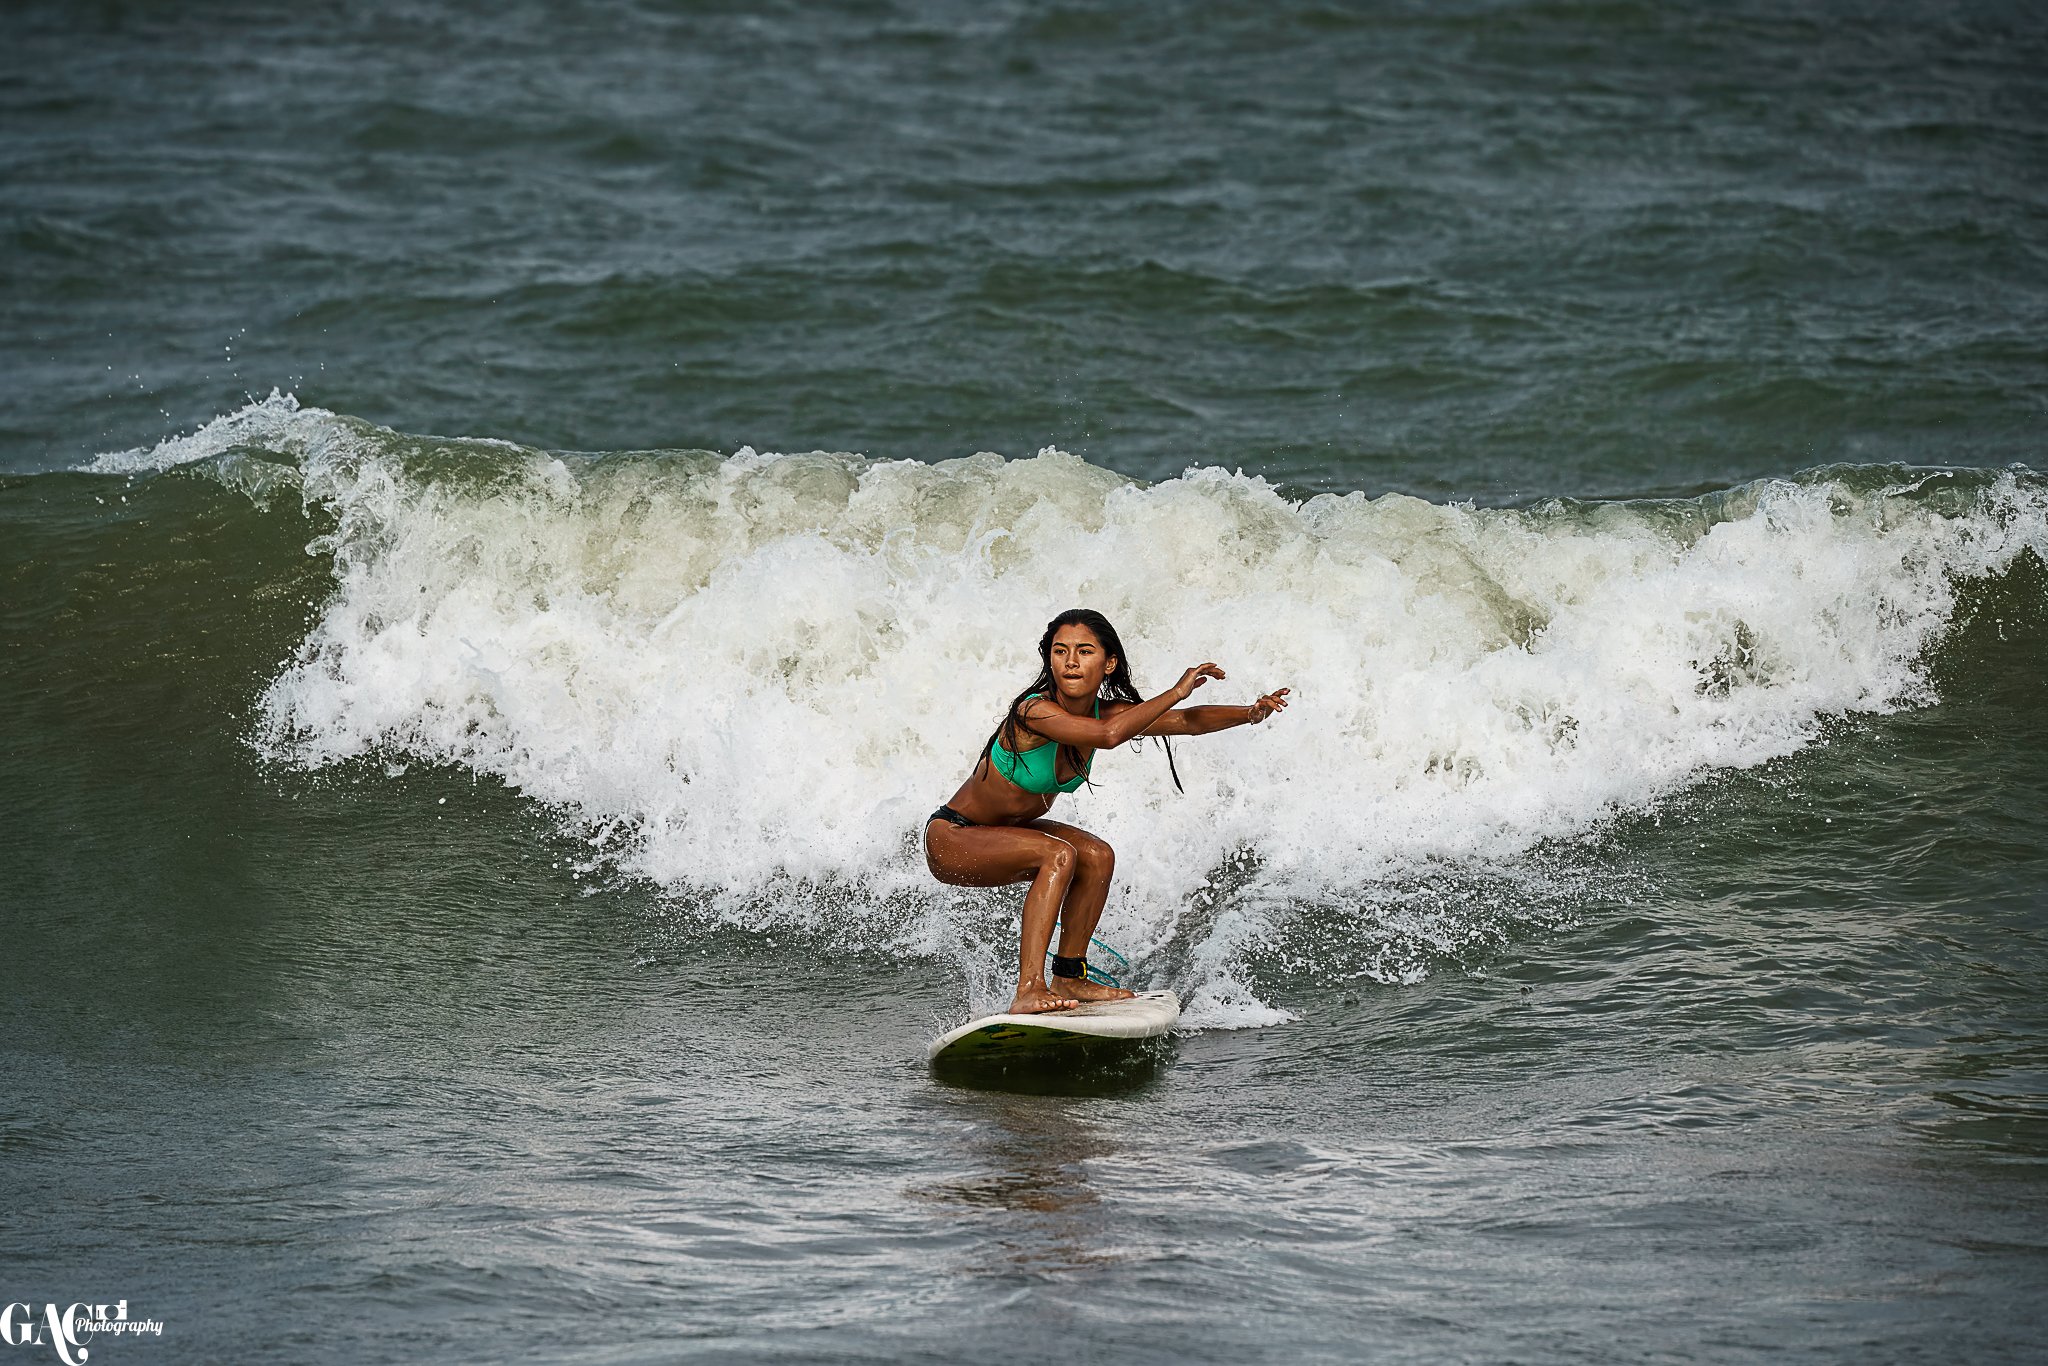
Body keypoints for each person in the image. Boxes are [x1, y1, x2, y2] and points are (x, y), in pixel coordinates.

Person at [925, 608, 1290, 1014]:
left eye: (1084, 651)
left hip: (1010, 831)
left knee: (1097, 856)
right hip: (954, 837)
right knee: (1058, 854)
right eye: (1060, 651)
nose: (1071, 661)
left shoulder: (1106, 712)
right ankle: (1029, 988)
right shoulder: (1034, 712)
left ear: (1109, 662)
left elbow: (1186, 721)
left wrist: (1249, 714)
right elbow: (1109, 736)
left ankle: (1069, 975)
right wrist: (1175, 689)